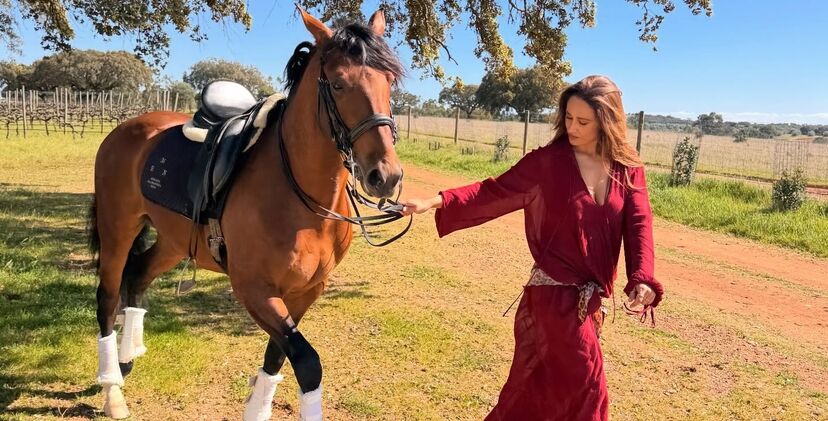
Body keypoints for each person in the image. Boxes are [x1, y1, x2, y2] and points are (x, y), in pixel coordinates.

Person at [401, 75, 663, 421]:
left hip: (590, 302)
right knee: (589, 389)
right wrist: (435, 201)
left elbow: (639, 222)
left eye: (583, 121)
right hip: (551, 298)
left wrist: (642, 277)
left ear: (607, 122)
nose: (572, 127)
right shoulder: (547, 163)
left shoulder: (628, 170)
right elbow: (493, 191)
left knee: (538, 393)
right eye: (568, 118)